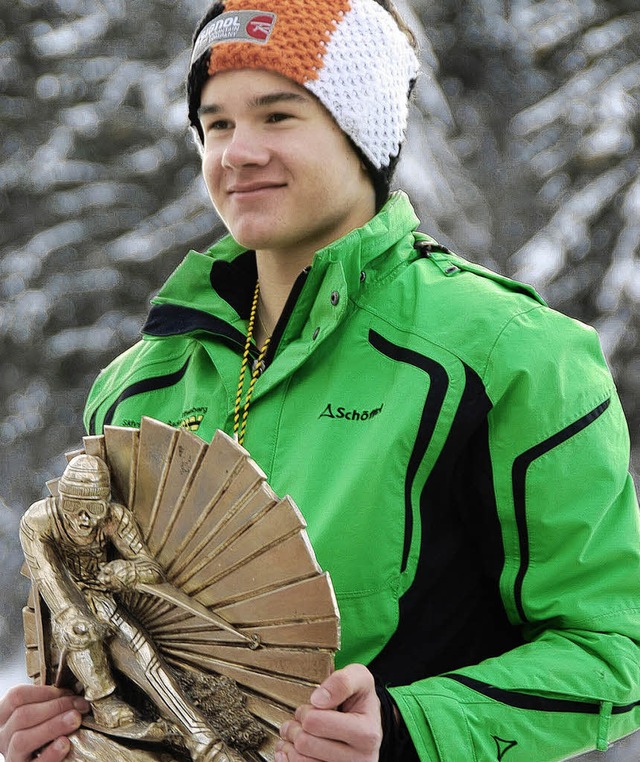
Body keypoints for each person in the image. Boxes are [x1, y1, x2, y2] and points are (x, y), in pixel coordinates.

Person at [2, 1, 640, 760]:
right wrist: (65, 733)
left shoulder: (508, 355)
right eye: (216, 124)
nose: (237, 152)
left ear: (362, 133)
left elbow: (612, 654)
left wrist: (405, 730)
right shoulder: (137, 385)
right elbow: (112, 637)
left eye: (277, 116)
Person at [19, 453, 248, 762]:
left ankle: (204, 741)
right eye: (74, 507)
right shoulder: (38, 521)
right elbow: (46, 573)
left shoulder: (116, 519)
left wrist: (130, 572)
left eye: (93, 509)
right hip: (64, 607)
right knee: (81, 632)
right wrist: (67, 613)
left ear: (105, 504)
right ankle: (105, 702)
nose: (84, 519)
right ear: (62, 498)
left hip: (106, 601)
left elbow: (149, 567)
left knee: (146, 658)